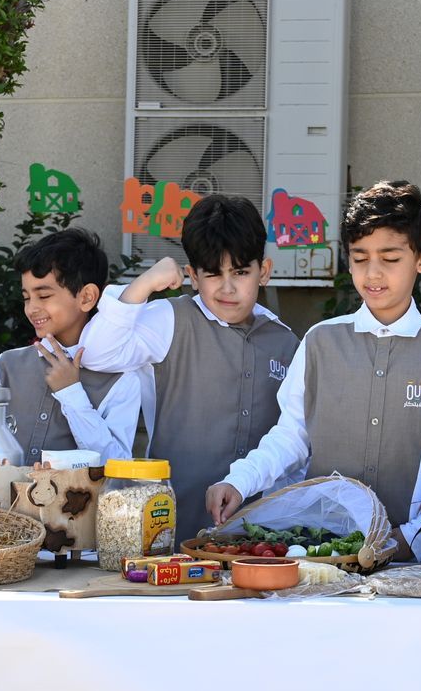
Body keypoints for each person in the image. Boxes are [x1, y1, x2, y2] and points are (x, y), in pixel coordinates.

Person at [207, 181, 421, 560]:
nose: (372, 273)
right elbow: (291, 436)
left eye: (389, 259)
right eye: (359, 258)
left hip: (412, 559)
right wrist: (238, 481)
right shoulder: (320, 341)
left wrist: (412, 537)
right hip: (320, 552)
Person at [81, 194, 300, 536]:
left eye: (241, 272)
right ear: (193, 277)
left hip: (261, 540)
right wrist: (145, 284)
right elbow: (95, 352)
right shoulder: (170, 319)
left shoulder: (286, 342)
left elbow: (294, 438)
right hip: (171, 531)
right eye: (213, 274)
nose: (228, 288)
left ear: (265, 271)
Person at [0, 225, 142, 464]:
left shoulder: (122, 379)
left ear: (86, 297)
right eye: (26, 297)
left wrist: (72, 394)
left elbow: (116, 464)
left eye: (43, 296)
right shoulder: (6, 365)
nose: (31, 308)